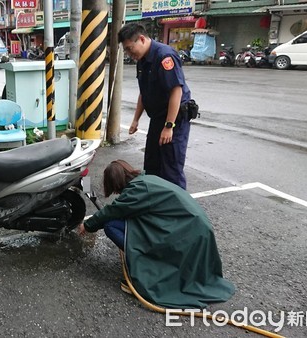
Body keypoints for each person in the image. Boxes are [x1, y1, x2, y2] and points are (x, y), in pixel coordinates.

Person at [78, 160, 235, 309]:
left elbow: (112, 211)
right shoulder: (145, 181)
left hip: (187, 232)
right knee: (125, 220)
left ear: (116, 182)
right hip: (194, 227)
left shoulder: (137, 192)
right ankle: (143, 257)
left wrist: (88, 225)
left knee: (110, 226)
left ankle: (145, 263)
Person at [118, 23, 193, 190]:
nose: (130, 54)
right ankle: (155, 207)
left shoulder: (164, 56)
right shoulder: (142, 61)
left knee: (170, 169)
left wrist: (169, 126)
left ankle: (178, 211)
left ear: (142, 39)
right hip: (157, 119)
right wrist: (135, 120)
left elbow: (176, 92)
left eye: (130, 49)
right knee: (152, 166)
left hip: (174, 120)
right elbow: (144, 93)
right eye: (127, 51)